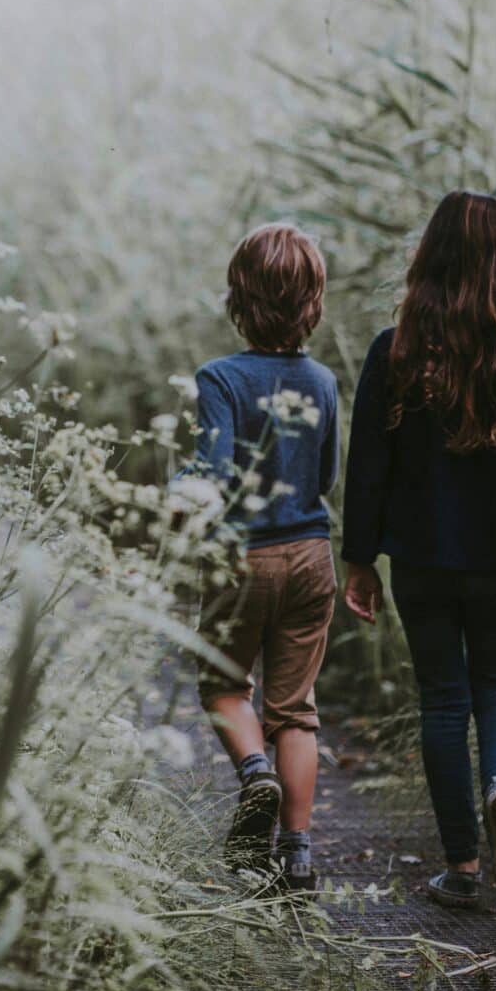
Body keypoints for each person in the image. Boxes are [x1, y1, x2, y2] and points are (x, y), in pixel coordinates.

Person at [342, 190, 496, 909]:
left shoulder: (396, 353)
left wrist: (358, 559)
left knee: (442, 700)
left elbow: (366, 466)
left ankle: (463, 868)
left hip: (421, 560)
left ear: (429, 260)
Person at [187, 223, 339, 889]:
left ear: (238, 299)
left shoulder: (219, 378)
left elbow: (213, 474)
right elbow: (325, 476)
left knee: (223, 683)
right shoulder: (323, 381)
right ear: (313, 302)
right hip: (310, 554)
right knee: (295, 709)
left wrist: (177, 489)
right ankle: (297, 854)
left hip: (241, 557)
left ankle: (255, 775)